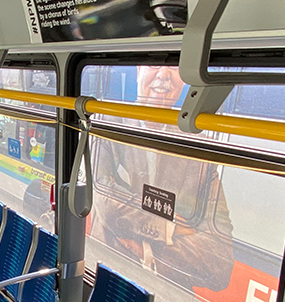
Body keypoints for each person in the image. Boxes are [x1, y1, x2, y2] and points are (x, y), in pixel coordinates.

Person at [88, 65, 235, 292]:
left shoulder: (198, 147)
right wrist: (171, 227)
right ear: (138, 71)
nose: (164, 74)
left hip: (169, 291)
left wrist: (147, 252)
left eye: (175, 67)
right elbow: (105, 203)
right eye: (155, 64)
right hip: (110, 278)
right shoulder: (107, 123)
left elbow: (220, 263)